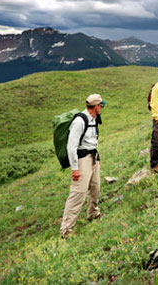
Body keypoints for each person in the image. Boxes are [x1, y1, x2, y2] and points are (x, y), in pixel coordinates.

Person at [60, 94, 105, 238]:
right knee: (78, 193)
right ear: (96, 106)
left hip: (93, 157)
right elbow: (71, 146)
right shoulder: (80, 121)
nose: (102, 108)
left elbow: (92, 139)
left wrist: (97, 158)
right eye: (101, 105)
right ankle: (66, 229)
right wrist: (75, 168)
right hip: (82, 160)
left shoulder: (94, 119)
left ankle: (93, 213)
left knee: (95, 187)